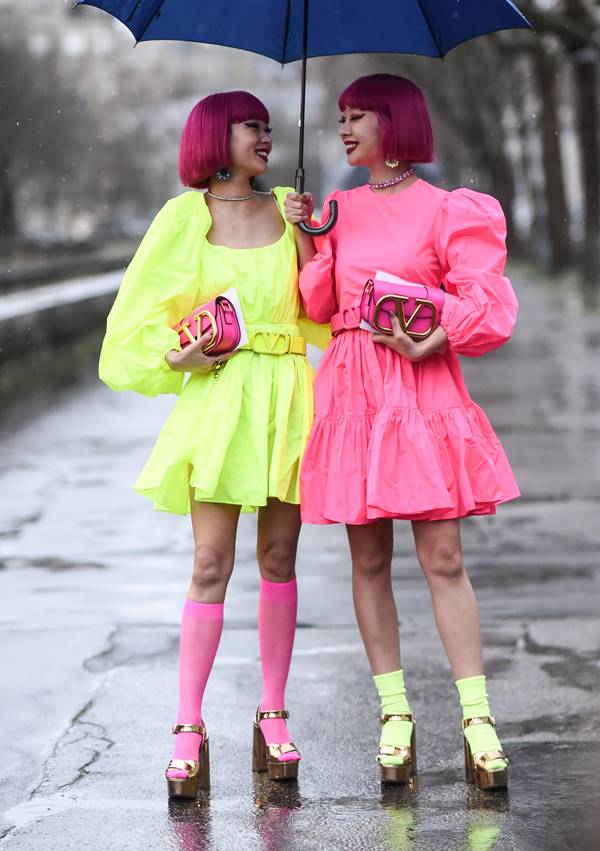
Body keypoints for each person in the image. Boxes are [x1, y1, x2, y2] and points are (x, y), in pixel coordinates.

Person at [285, 74, 519, 791]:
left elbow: (489, 303)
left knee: (442, 554)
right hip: (355, 388)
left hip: (420, 383)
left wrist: (437, 335)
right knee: (368, 557)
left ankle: (477, 717)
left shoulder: (451, 210)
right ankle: (395, 714)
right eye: (341, 117)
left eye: (359, 117)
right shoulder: (335, 208)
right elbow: (320, 306)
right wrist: (303, 234)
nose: (346, 128)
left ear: (398, 124)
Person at [99, 91, 312, 797]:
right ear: (217, 136)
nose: (266, 135)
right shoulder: (183, 217)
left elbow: (324, 305)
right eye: (253, 125)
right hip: (220, 403)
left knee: (279, 557)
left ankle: (273, 715)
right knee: (210, 563)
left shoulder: (290, 208)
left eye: (268, 126)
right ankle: (188, 726)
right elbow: (133, 325)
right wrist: (179, 356)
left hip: (287, 396)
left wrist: (311, 236)